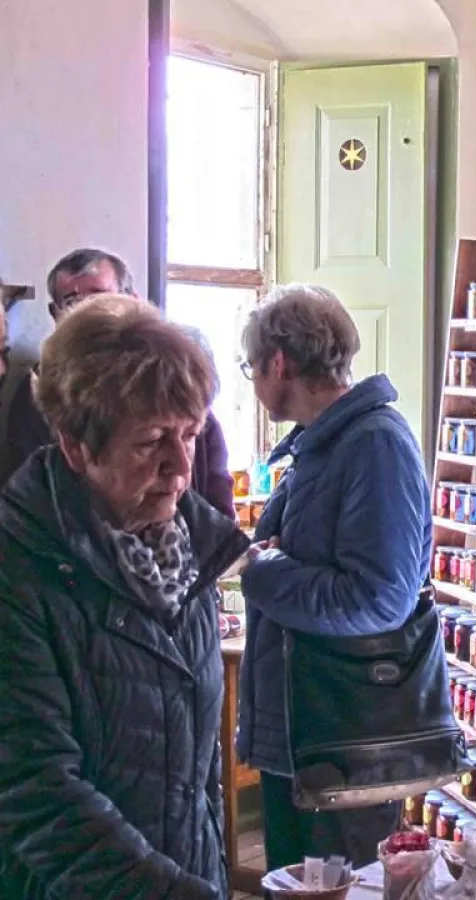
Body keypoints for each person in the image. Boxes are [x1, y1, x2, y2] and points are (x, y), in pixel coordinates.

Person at [0, 295, 246, 899]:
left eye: (190, 435)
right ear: (76, 447)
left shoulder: (188, 551)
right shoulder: (18, 571)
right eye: (151, 441)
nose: (180, 467)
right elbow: (37, 791)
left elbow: (194, 769)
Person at [237, 284, 433, 869]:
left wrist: (262, 570)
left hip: (347, 740)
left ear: (279, 363)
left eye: (252, 367)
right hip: (308, 735)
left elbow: (379, 598)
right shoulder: (321, 446)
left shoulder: (374, 444)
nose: (253, 380)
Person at [0, 247, 235, 518]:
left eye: (101, 300)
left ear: (132, 300)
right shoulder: (34, 398)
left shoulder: (177, 385)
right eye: (74, 303)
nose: (89, 317)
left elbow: (217, 519)